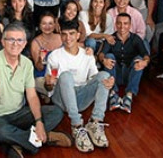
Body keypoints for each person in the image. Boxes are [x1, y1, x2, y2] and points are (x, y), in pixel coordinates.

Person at [0, 23, 72, 157]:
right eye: (11, 39)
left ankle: (16, 141)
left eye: (19, 40)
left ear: (25, 43)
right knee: (1, 131)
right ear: (3, 42)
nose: (15, 44)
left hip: (18, 113)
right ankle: (41, 138)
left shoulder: (27, 63)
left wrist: (38, 122)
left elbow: (32, 96)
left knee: (56, 112)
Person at [45, 20, 114, 153]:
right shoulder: (54, 56)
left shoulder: (87, 55)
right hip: (61, 100)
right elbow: (49, 90)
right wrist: (48, 84)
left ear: (78, 35)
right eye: (64, 34)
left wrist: (108, 82)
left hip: (81, 98)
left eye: (71, 34)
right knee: (66, 76)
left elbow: (95, 78)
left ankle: (96, 122)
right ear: (60, 36)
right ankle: (76, 125)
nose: (68, 38)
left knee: (104, 75)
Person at [99, 13, 149, 113]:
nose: (122, 26)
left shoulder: (136, 39)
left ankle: (129, 96)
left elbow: (145, 55)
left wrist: (145, 62)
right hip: (115, 75)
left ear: (130, 25)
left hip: (129, 74)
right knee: (109, 57)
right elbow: (101, 54)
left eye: (125, 23)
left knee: (139, 59)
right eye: (119, 23)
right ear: (115, 24)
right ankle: (113, 94)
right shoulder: (111, 38)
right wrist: (103, 60)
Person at [31, 12, 62, 97]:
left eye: (50, 23)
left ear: (55, 25)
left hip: (59, 73)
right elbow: (39, 67)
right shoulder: (35, 42)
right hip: (43, 75)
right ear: (40, 25)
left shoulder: (60, 38)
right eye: (44, 23)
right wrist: (41, 59)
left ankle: (49, 96)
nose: (47, 26)